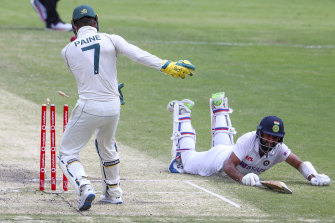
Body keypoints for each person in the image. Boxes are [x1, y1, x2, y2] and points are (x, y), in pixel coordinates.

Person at [58, 5, 195, 211]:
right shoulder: (111, 38)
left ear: (74, 27)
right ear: (96, 22)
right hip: (113, 106)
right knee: (106, 145)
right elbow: (138, 54)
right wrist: (166, 65)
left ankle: (85, 186)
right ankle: (113, 193)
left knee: (66, 154)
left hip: (89, 106)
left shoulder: (67, 51)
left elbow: (87, 72)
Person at [166, 92, 331, 187]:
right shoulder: (249, 139)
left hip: (228, 150)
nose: (271, 141)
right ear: (260, 133)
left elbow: (300, 164)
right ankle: (183, 112)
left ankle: (219, 107)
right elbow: (228, 166)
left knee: (225, 144)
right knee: (186, 162)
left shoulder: (279, 149)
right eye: (268, 136)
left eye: (275, 138)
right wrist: (242, 178)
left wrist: (312, 176)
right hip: (216, 162)